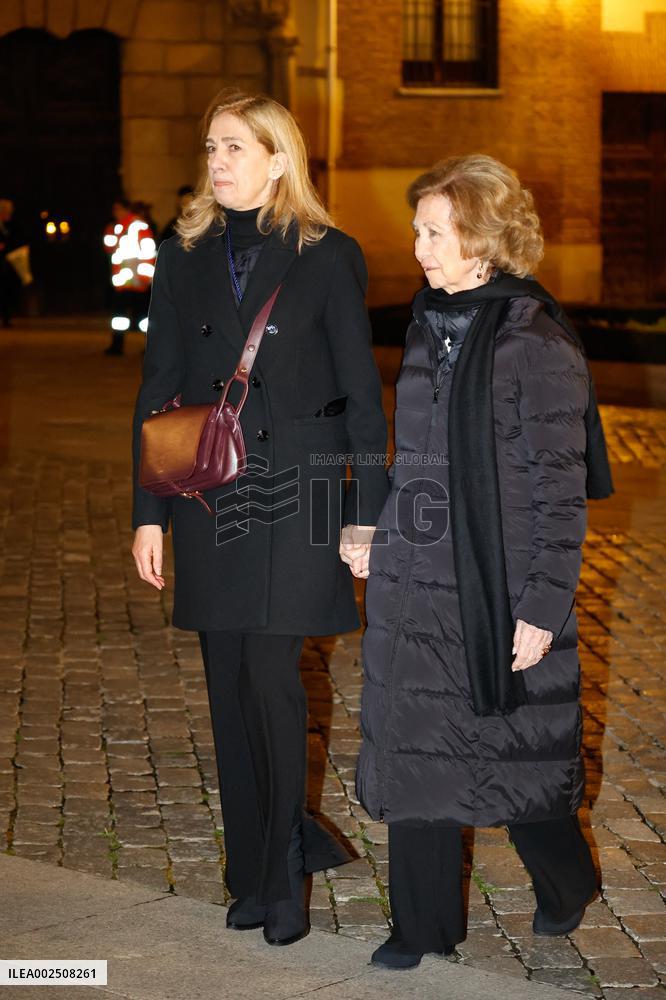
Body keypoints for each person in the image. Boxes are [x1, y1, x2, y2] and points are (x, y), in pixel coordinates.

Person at [131, 90, 389, 947]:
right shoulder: (184, 254)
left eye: (235, 147)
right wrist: (149, 514)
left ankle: (284, 881)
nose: (217, 162)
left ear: (279, 158)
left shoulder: (327, 255)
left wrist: (366, 514)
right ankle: (248, 873)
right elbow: (158, 389)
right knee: (228, 690)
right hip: (210, 494)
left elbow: (363, 395)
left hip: (299, 494)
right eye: (211, 147)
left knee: (273, 685)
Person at [349, 154, 614, 970]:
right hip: (420, 576)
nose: (419, 246)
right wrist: (374, 526)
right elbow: (418, 455)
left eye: (435, 231)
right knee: (417, 744)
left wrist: (542, 604)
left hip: (501, 587)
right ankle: (420, 928)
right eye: (420, 230)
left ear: (485, 237)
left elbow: (557, 488)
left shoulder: (536, 339)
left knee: (520, 759)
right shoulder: (433, 322)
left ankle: (566, 882)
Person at [103, 197, 156, 355]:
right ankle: (117, 345)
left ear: (126, 209)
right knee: (120, 316)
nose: (115, 213)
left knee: (143, 317)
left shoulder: (138, 226)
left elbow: (148, 252)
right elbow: (109, 248)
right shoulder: (118, 227)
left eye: (118, 209)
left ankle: (152, 347)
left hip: (138, 281)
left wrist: (146, 277)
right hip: (124, 280)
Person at [0, 199, 23, 327]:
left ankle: (6, 317)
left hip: (8, 263)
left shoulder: (11, 226)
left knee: (6, 291)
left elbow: (16, 240)